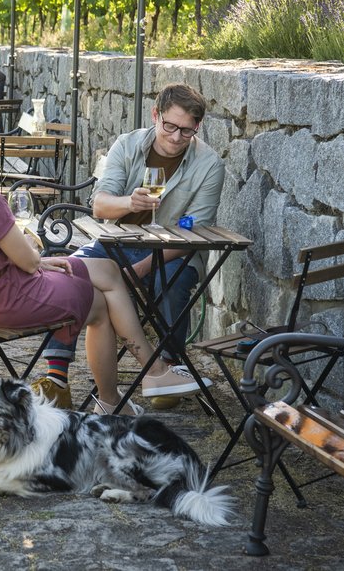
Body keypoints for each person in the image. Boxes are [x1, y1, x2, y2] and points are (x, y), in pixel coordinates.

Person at [0, 93, 210, 415]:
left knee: (102, 289)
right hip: (12, 298)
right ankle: (149, 376)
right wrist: (38, 260)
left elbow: (19, 259)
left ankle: (116, 399)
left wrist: (42, 261)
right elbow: (26, 260)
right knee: (104, 287)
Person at [33, 83, 226, 410]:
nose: (177, 137)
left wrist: (141, 268)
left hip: (171, 249)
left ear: (198, 127)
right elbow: (100, 206)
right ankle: (56, 377)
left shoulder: (209, 165)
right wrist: (128, 202)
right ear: (156, 115)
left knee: (177, 280)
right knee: (68, 275)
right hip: (116, 242)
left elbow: (196, 229)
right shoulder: (128, 144)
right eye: (170, 126)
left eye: (187, 131)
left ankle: (169, 365)